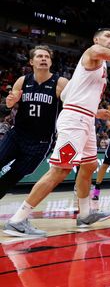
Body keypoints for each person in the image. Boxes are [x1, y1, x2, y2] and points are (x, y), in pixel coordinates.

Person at [3, 28, 110, 236]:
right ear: (96, 39)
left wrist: (93, 111)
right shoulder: (92, 54)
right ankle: (18, 219)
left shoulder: (99, 66)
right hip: (74, 121)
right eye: (107, 36)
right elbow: (95, 51)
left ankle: (85, 214)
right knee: (60, 170)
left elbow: (65, 94)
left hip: (86, 119)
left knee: (90, 165)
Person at [0, 46, 68, 199]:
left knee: (13, 176)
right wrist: (10, 103)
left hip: (41, 141)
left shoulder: (60, 83)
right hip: (17, 135)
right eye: (39, 56)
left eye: (47, 57)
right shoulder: (22, 81)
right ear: (31, 61)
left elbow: (76, 103)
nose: (43, 59)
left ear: (50, 62)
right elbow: (7, 107)